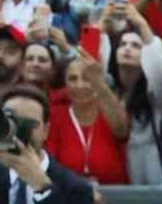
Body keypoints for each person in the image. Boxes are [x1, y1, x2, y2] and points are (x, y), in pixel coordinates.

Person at [107, 2, 162, 185]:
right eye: (123, 44)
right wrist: (103, 24)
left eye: (136, 45)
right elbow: (91, 66)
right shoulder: (109, 90)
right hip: (114, 174)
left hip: (149, 175)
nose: (127, 48)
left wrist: (141, 23)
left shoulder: (156, 95)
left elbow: (159, 69)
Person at [48, 50, 130, 186]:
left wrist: (99, 83)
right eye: (72, 79)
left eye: (87, 78)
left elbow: (122, 131)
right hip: (70, 195)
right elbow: (51, 166)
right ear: (65, 83)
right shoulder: (55, 117)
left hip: (115, 194)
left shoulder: (111, 111)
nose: (80, 85)